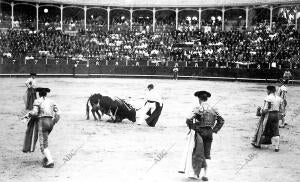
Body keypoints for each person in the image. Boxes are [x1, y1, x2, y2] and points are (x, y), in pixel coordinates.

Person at [179, 91, 224, 181]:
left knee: (197, 152)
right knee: (207, 154)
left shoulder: (198, 108)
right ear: (207, 98)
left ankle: (195, 174)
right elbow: (221, 120)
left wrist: (194, 128)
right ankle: (206, 175)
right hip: (209, 133)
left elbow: (188, 120)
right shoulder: (214, 108)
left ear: (199, 99)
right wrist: (214, 130)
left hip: (200, 132)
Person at [24, 87, 60, 168]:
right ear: (46, 94)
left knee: (43, 144)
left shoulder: (37, 101)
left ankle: (50, 161)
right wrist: (53, 122)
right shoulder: (51, 101)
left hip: (42, 122)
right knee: (45, 140)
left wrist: (27, 116)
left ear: (39, 94)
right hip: (51, 122)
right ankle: (46, 158)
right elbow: (58, 113)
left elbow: (35, 112)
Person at [251, 85, 282, 152]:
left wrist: (260, 111)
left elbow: (266, 109)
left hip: (269, 115)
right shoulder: (279, 98)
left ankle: (258, 144)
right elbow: (281, 109)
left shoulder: (268, 98)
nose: (266, 91)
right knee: (276, 130)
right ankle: (277, 147)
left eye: (267, 90)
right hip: (277, 114)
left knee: (262, 128)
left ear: (270, 90)